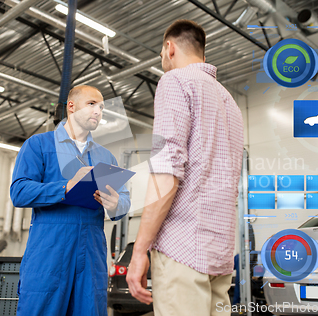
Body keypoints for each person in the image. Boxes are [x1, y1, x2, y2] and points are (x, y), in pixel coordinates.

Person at [126, 20, 244, 316]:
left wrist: (139, 250)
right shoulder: (229, 102)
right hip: (219, 254)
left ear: (170, 47)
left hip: (183, 250)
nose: (163, 61)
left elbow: (167, 172)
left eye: (161, 54)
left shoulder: (175, 81)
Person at [10, 85, 131, 316]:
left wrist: (116, 204)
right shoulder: (39, 145)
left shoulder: (106, 157)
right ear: (71, 107)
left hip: (92, 252)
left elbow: (123, 199)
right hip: (49, 250)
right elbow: (19, 191)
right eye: (92, 104)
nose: (98, 111)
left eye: (102, 107)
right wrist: (65, 187)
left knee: (90, 309)